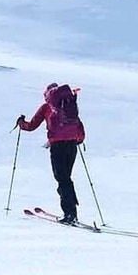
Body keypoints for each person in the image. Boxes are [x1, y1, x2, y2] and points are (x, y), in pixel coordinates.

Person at [16, 83, 85, 224]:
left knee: (62, 178)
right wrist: (78, 139)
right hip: (72, 144)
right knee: (66, 178)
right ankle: (72, 211)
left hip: (57, 146)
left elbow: (31, 126)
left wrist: (21, 123)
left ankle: (69, 214)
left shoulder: (47, 107)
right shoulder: (68, 104)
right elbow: (79, 125)